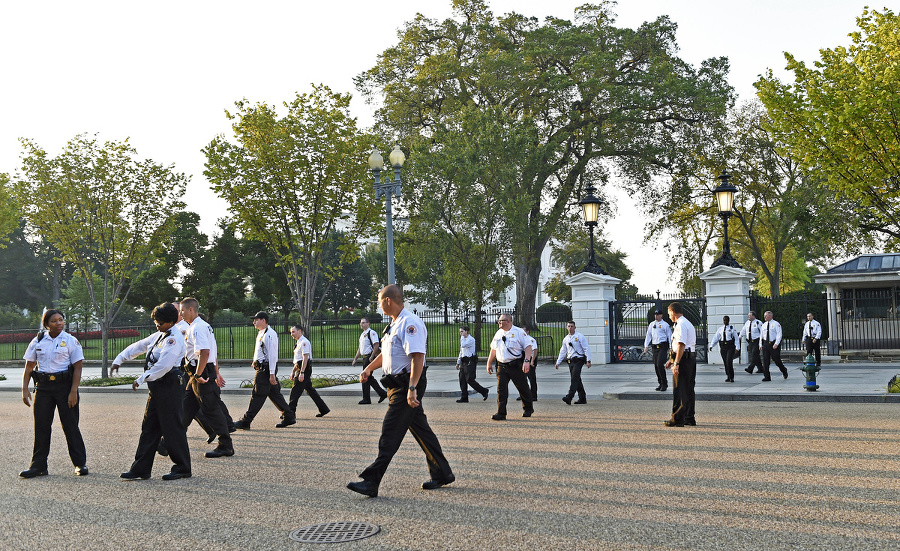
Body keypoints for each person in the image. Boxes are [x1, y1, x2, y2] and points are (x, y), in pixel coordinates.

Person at [347, 285, 454, 497]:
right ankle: (442, 473)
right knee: (421, 429)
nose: (378, 306)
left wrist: (412, 387)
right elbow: (386, 355)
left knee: (390, 431)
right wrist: (368, 368)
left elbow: (417, 357)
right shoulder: (393, 325)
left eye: (379, 302)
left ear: (388, 301)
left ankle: (371, 481)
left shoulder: (409, 323)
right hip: (397, 384)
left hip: (407, 384)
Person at [113, 302, 191, 480]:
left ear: (171, 322)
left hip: (169, 384)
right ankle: (141, 468)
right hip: (157, 387)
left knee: (172, 428)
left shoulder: (174, 338)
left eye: (160, 322)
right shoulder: (159, 335)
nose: (157, 324)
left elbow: (164, 365)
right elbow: (139, 346)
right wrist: (120, 359)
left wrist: (142, 378)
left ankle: (182, 467)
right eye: (156, 321)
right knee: (149, 427)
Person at [19, 309, 88, 478]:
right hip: (43, 388)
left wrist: (73, 391)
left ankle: (80, 464)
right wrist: (24, 388)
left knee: (70, 426)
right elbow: (29, 367)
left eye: (61, 320)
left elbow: (78, 368)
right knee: (41, 427)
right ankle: (38, 466)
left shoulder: (71, 341)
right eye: (54, 321)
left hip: (65, 387)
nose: (59, 323)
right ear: (46, 324)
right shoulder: (38, 341)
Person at [179, 298, 234, 458]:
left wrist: (198, 374)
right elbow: (212, 352)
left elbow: (205, 352)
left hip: (200, 373)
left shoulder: (198, 327)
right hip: (196, 373)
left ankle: (226, 445)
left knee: (211, 409)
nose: (180, 314)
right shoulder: (200, 326)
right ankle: (168, 443)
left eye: (182, 310)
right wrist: (215, 372)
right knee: (186, 409)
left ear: (190, 310)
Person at [234, 311, 296, 429]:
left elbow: (272, 355)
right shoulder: (262, 333)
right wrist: (255, 360)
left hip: (266, 369)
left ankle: (246, 421)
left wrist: (272, 374)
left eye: (256, 320)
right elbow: (260, 350)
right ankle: (289, 416)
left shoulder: (269, 334)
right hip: (264, 368)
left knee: (257, 394)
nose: (254, 322)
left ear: (263, 320)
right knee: (274, 394)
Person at [485, 313, 534, 420]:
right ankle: (501, 413)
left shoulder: (519, 332)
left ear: (508, 321)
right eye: (499, 321)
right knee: (501, 390)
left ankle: (528, 408)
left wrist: (526, 361)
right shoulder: (498, 333)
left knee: (522, 388)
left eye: (501, 321)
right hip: (501, 366)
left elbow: (528, 347)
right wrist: (489, 362)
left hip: (515, 365)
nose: (499, 322)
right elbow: (493, 349)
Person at [664, 302, 697, 427]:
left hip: (683, 360)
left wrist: (676, 363)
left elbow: (681, 345)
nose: (669, 316)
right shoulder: (686, 323)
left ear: (673, 312)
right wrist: (671, 360)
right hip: (689, 358)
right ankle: (689, 417)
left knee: (679, 389)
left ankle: (677, 418)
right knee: (688, 389)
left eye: (669, 314)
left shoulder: (681, 325)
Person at [287, 325, 330, 418]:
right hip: (301, 367)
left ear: (299, 331)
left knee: (295, 391)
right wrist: (293, 371)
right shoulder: (299, 342)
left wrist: (302, 372)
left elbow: (305, 358)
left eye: (293, 332)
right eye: (291, 332)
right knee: (310, 390)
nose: (292, 334)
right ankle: (323, 409)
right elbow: (297, 360)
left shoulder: (304, 342)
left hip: (304, 368)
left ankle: (290, 413)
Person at [352, 317, 388, 405]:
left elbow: (376, 345)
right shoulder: (362, 334)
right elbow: (360, 348)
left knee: (364, 376)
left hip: (369, 357)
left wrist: (372, 356)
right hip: (365, 357)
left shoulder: (371, 333)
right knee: (369, 378)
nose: (362, 324)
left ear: (368, 323)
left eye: (363, 322)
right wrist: (355, 359)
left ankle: (366, 398)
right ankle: (382, 393)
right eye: (361, 323)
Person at [555, 321, 591, 405]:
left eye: (572, 326)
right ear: (567, 328)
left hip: (579, 360)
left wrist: (588, 360)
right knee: (577, 379)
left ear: (575, 327)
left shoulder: (579, 336)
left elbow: (586, 348)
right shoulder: (566, 339)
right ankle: (582, 398)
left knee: (574, 378)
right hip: (570, 361)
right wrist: (558, 362)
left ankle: (569, 397)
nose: (570, 328)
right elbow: (563, 351)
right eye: (569, 326)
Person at [456, 325, 489, 403]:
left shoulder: (470, 339)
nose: (460, 333)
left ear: (466, 331)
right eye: (460, 332)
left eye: (462, 331)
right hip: (463, 361)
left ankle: (483, 391)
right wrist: (458, 362)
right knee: (462, 379)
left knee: (469, 379)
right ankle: (464, 397)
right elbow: (461, 351)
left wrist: (462, 338)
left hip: (469, 361)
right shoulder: (463, 340)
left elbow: (463, 345)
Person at [643, 309, 672, 391]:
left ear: (661, 315)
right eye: (655, 314)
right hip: (655, 347)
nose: (656, 316)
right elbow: (648, 335)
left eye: (658, 314)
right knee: (656, 366)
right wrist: (646, 346)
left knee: (660, 364)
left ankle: (664, 384)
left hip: (662, 347)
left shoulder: (665, 325)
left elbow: (669, 336)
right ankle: (660, 383)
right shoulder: (652, 324)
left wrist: (671, 347)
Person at [759, 310, 789, 381]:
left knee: (776, 360)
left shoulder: (776, 324)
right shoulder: (764, 325)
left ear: (770, 316)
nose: (765, 317)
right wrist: (760, 344)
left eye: (766, 315)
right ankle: (767, 376)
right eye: (764, 316)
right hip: (766, 344)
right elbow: (761, 335)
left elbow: (779, 334)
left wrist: (776, 343)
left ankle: (784, 370)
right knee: (765, 361)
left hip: (773, 344)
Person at [709, 315, 738, 382]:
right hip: (723, 346)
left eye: (726, 320)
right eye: (724, 320)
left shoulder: (732, 328)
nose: (725, 321)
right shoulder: (720, 329)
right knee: (725, 362)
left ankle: (732, 376)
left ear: (728, 321)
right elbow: (716, 337)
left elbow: (736, 338)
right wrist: (711, 345)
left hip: (730, 346)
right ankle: (728, 376)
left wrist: (737, 347)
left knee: (729, 361)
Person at [739, 311, 764, 375]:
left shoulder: (758, 322)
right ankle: (761, 368)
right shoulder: (747, 323)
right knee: (755, 356)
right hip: (750, 341)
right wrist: (740, 336)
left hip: (757, 341)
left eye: (750, 315)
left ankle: (750, 368)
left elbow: (762, 332)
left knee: (754, 354)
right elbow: (743, 330)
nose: (748, 317)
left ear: (754, 316)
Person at [518, 328, 539, 402]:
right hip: (523, 358)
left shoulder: (531, 339)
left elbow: (535, 350)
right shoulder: (520, 339)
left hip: (530, 358)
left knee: (532, 378)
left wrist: (532, 361)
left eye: (524, 331)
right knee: (522, 378)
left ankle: (534, 395)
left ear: (527, 331)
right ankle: (523, 395)